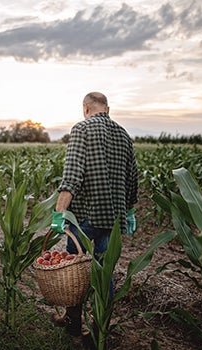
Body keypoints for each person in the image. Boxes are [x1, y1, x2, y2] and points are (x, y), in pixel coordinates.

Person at [50, 91, 138, 337]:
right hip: (113, 220)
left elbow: (72, 176)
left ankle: (73, 322)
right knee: (104, 272)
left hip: (87, 218)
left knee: (75, 272)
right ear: (107, 109)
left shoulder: (82, 129)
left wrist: (59, 213)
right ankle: (99, 327)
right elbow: (133, 178)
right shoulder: (124, 135)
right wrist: (129, 211)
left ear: (85, 109)